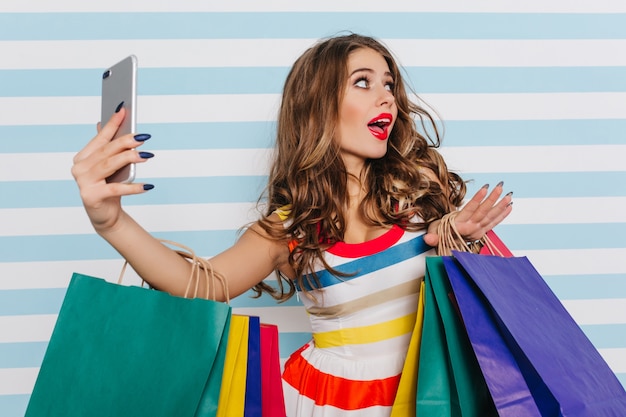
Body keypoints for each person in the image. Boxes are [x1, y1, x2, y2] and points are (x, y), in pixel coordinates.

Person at [72, 33, 512, 417]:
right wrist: (111, 222)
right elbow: (203, 286)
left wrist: (463, 243)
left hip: (427, 395)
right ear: (318, 106)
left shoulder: (422, 198)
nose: (387, 98)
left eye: (389, 85)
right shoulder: (290, 229)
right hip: (327, 402)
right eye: (363, 82)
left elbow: (486, 317)